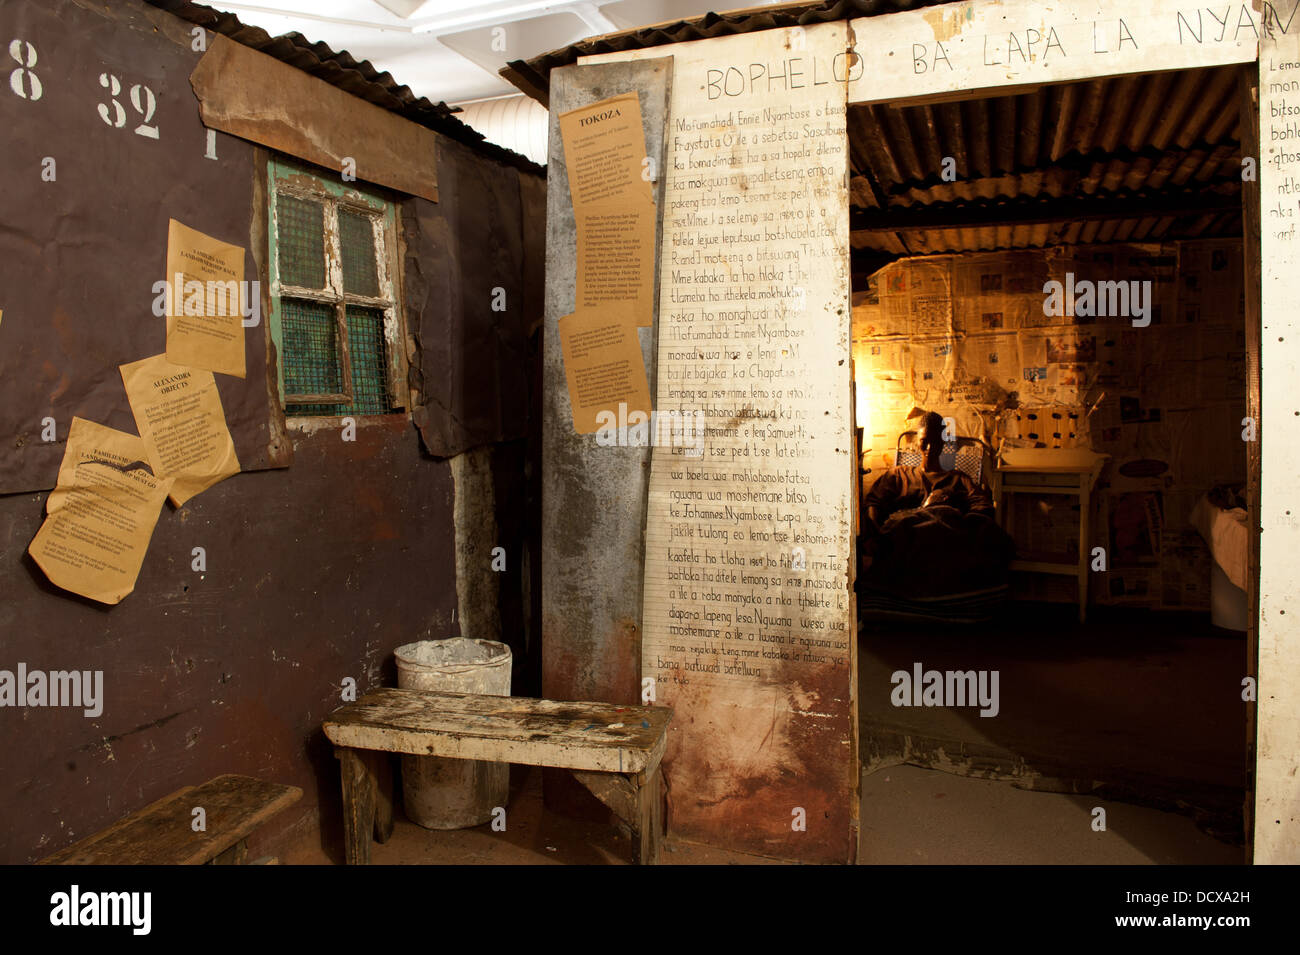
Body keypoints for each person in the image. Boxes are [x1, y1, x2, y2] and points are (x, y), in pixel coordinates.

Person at [863, 411, 992, 534]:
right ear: (917, 441)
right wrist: (875, 532)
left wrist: (959, 521)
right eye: (924, 441)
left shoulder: (958, 479)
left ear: (942, 443)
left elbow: (982, 507)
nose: (929, 448)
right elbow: (873, 502)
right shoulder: (898, 475)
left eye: (935, 442)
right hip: (904, 541)